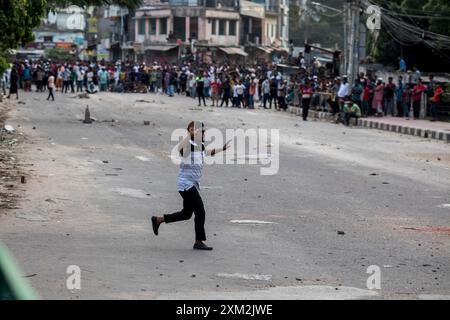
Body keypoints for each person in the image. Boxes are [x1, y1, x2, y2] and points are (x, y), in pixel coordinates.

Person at [151, 121, 231, 251]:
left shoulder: (200, 145)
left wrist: (222, 148)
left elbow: (207, 153)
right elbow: (179, 149)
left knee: (186, 214)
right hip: (186, 185)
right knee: (200, 211)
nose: (204, 134)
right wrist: (189, 134)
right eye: (202, 132)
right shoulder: (188, 146)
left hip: (192, 184)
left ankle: (159, 220)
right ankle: (198, 241)